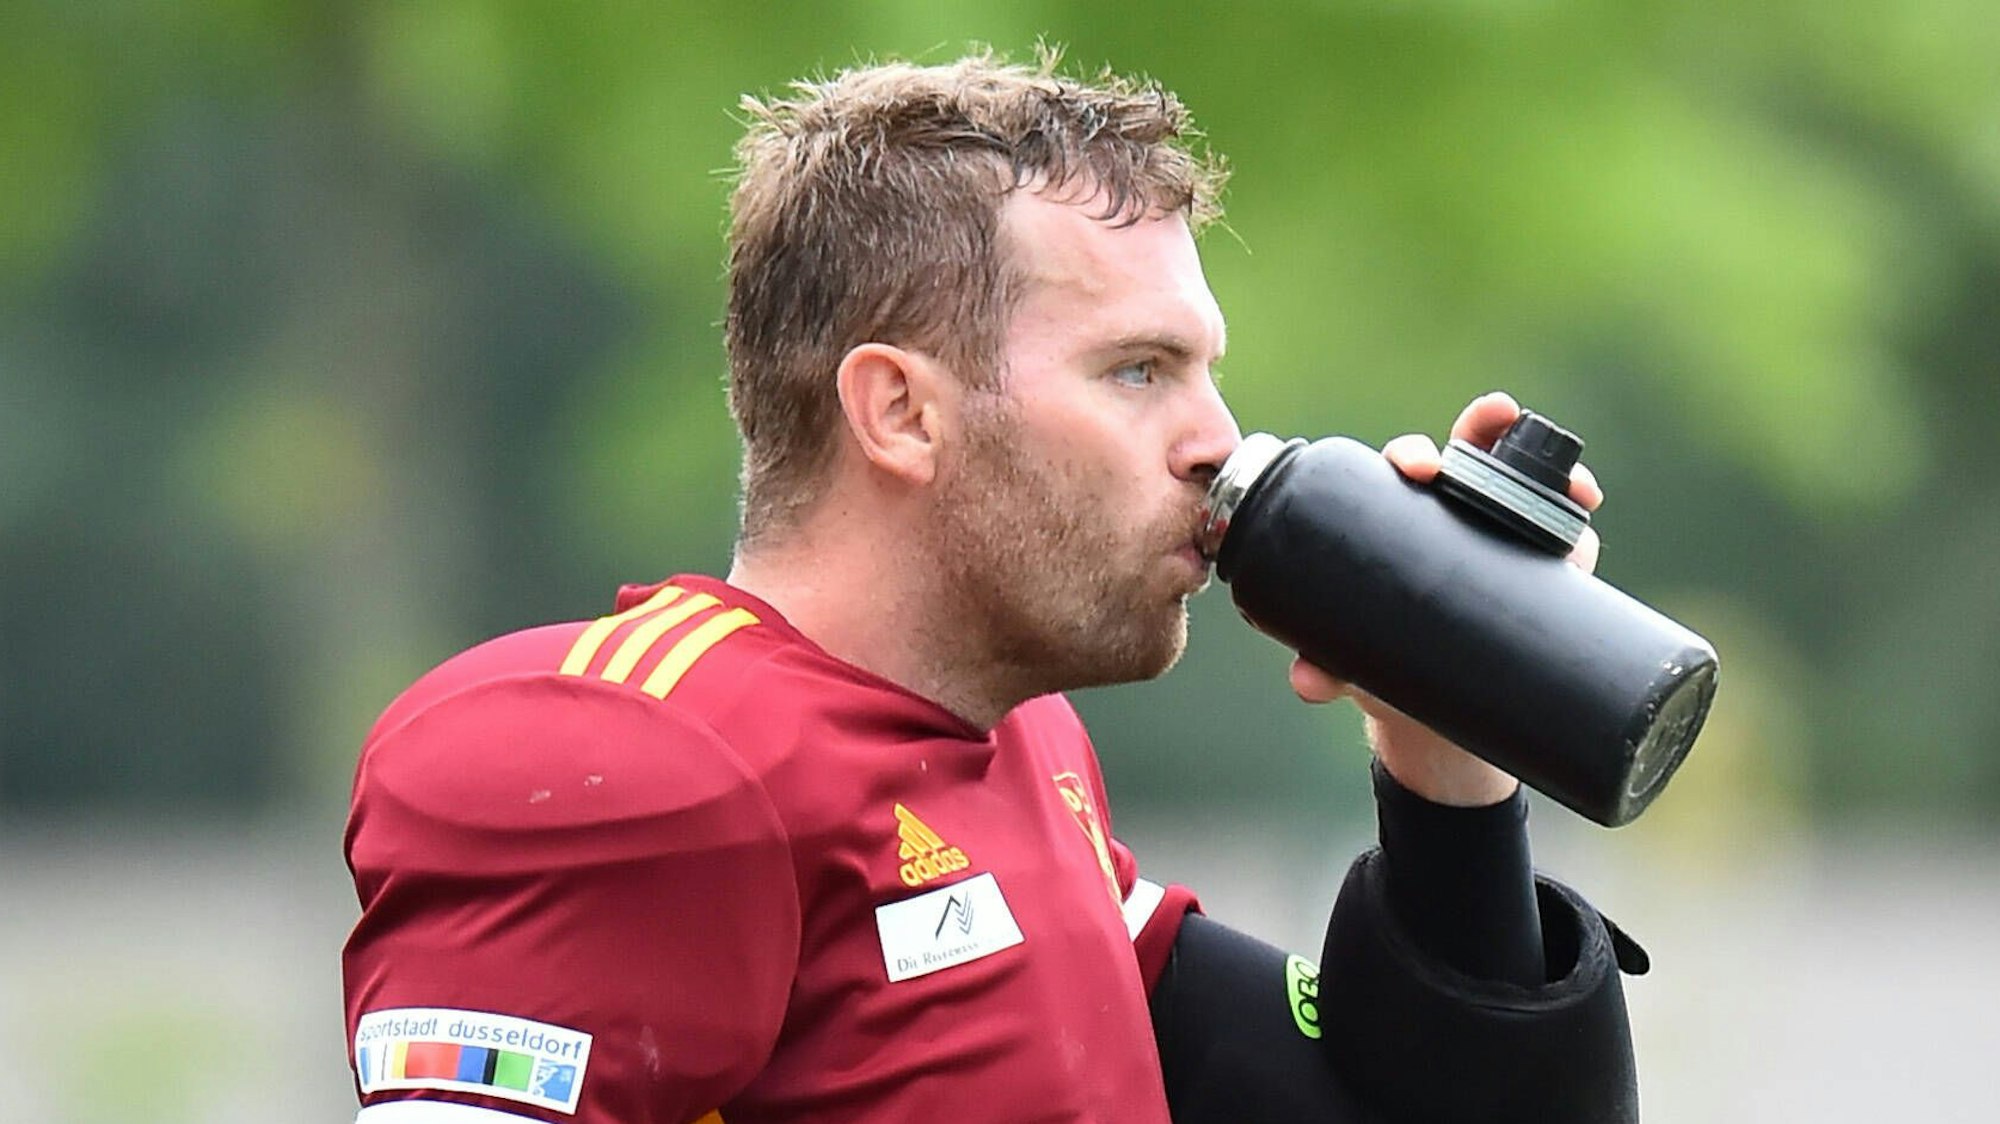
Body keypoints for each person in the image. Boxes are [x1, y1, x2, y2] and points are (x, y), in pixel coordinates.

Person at [342, 52, 1645, 1124]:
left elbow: (1386, 1107)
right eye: (1139, 370)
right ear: (900, 411)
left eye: (1205, 371)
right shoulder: (621, 750)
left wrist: (1445, 755)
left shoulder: (1018, 745)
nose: (1217, 438)